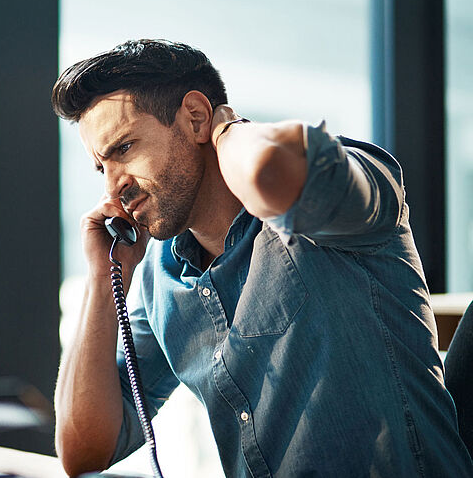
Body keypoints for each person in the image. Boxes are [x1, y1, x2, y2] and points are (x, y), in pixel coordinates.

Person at [50, 39, 473, 477]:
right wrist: (104, 276)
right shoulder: (163, 275)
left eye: (123, 149)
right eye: (102, 167)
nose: (112, 188)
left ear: (194, 117)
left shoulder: (334, 197)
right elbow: (84, 453)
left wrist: (227, 130)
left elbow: (277, 169)